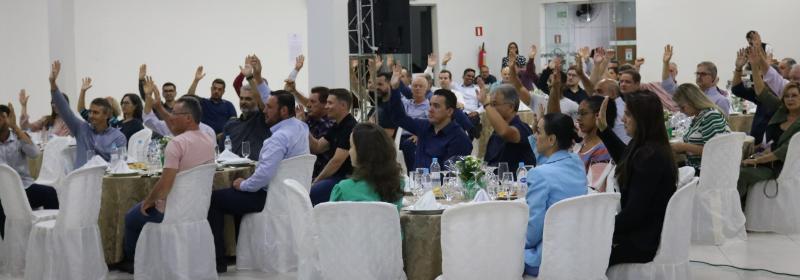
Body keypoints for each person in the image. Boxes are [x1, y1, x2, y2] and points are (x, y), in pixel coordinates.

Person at [208, 91, 309, 272]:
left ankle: (218, 262)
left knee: (214, 200)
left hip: (269, 197)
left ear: (284, 111)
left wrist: (243, 184)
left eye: (269, 107)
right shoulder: (302, 128)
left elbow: (263, 176)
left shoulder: (278, 138)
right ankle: (237, 251)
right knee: (235, 197)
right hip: (291, 196)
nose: (264, 111)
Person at [118, 96, 214, 274]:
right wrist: (159, 108)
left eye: (174, 114)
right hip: (195, 211)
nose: (170, 118)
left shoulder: (176, 144)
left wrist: (148, 201)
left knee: (131, 217)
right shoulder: (209, 140)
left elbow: (165, 185)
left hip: (170, 212)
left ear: (187, 118)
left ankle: (136, 263)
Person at [596, 91, 677, 266]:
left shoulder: (650, 157)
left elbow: (634, 214)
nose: (622, 120)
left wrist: (600, 229)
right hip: (642, 230)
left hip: (640, 241)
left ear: (643, 119)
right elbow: (625, 158)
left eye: (628, 115)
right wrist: (604, 129)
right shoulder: (648, 145)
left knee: (582, 250)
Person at [523, 112, 587, 277]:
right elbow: (549, 160)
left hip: (546, 258)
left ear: (551, 140)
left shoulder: (539, 175)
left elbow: (532, 234)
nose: (535, 136)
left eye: (538, 132)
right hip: (577, 251)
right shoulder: (576, 162)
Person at [737, 44, 800, 201]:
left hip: (779, 167)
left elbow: (781, 152)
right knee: (732, 169)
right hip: (765, 159)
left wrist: (754, 161)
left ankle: (734, 212)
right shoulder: (781, 110)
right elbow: (762, 92)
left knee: (740, 173)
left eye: (794, 96)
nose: (790, 99)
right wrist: (753, 64)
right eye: (787, 96)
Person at [383, 71, 472, 171]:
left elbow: (451, 177)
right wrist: (394, 89)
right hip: (417, 183)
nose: (430, 109)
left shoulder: (459, 138)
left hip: (440, 185)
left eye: (436, 106)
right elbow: (399, 118)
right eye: (430, 105)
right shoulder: (424, 126)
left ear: (449, 111)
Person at [49, 60, 126, 167]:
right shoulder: (81, 129)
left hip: (103, 180)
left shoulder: (118, 137)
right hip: (79, 180)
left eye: (96, 113)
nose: (91, 115)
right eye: (90, 112)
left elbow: (119, 165)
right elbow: (65, 110)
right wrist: (53, 84)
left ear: (107, 115)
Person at [0, 103, 50, 238]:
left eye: (2, 116)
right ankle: (8, 247)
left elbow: (35, 153)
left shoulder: (18, 137)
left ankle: (50, 237)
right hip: (2, 193)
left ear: (8, 119)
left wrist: (16, 127)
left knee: (50, 193)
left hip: (24, 188)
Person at [330, 123, 404, 211]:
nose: (349, 151)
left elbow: (332, 221)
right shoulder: (398, 185)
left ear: (362, 152)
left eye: (351, 146)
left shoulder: (342, 189)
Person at [308, 89, 357, 205]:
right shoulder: (337, 125)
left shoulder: (350, 126)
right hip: (335, 177)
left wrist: (316, 181)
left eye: (330, 103)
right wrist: (303, 126)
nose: (326, 106)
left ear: (343, 105)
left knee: (309, 194)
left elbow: (337, 161)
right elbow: (317, 147)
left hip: (345, 179)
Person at [222, 55, 272, 160]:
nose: (244, 102)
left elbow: (261, 101)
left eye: (249, 99)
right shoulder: (231, 125)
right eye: (242, 98)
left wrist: (250, 77)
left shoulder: (262, 119)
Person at [671, 84, 730, 172]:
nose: (681, 111)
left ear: (692, 101)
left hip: (707, 171)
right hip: (697, 168)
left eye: (682, 107)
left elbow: (715, 150)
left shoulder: (711, 116)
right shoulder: (699, 116)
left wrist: (684, 147)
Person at [141, 77, 217, 141]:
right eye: (174, 112)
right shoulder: (171, 126)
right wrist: (148, 95)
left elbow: (214, 154)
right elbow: (149, 120)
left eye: (176, 113)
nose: (173, 115)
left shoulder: (208, 131)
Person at [478, 83, 535, 166]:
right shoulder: (496, 131)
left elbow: (505, 132)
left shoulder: (522, 128)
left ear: (511, 107)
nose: (492, 109)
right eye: (491, 105)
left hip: (513, 178)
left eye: (494, 104)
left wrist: (486, 104)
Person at [732, 48, 777, 146]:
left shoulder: (781, 99)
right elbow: (736, 89)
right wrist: (738, 68)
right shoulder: (760, 95)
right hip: (755, 145)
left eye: (763, 78)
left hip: (769, 147)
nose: (760, 81)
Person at [575, 96, 616, 190]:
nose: (578, 118)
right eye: (578, 113)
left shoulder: (603, 150)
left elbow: (594, 188)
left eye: (583, 113)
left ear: (598, 116)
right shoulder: (580, 144)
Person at [187, 66, 238, 139]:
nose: (216, 91)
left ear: (223, 91)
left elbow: (233, 124)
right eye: (214, 88)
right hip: (204, 139)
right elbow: (189, 97)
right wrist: (196, 80)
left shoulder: (228, 105)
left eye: (219, 89)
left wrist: (222, 135)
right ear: (211, 89)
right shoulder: (203, 102)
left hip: (223, 141)